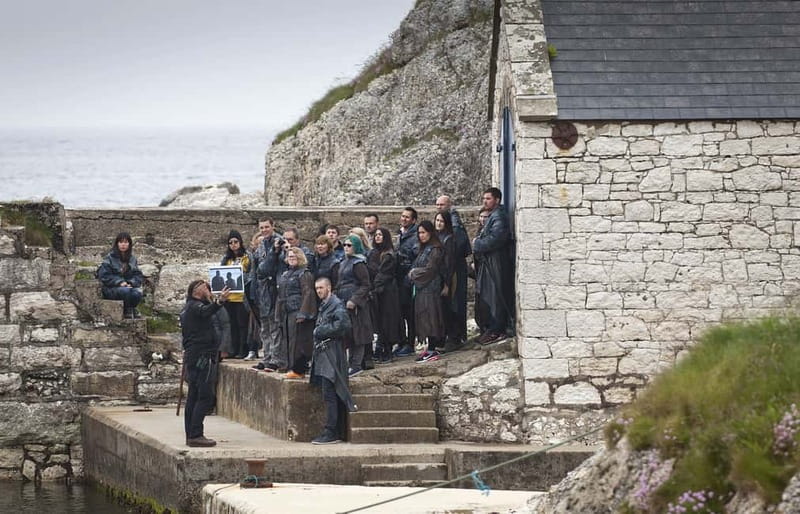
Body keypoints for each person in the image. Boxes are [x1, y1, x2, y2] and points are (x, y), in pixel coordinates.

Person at [180, 279, 230, 447]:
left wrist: (211, 300)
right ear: (196, 291)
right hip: (202, 355)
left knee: (194, 395)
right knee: (204, 395)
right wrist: (219, 301)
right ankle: (195, 434)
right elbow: (206, 311)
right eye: (205, 288)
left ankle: (191, 434)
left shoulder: (189, 306)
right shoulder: (195, 307)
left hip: (194, 355)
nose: (208, 290)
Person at [310, 277, 357, 445]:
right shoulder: (325, 305)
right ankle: (334, 430)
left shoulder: (336, 305)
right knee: (328, 391)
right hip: (324, 353)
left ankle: (332, 431)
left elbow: (344, 325)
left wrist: (321, 331)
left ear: (329, 288)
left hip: (333, 352)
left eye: (321, 288)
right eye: (317, 288)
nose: (319, 291)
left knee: (330, 391)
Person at [473, 187, 514, 344]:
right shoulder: (494, 216)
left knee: (496, 296)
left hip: (496, 263)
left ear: (497, 200)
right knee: (489, 296)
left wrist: (477, 243)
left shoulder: (499, 217)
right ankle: (491, 328)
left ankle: (497, 329)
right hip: (490, 262)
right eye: (484, 198)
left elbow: (496, 239)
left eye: (488, 198)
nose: (485, 201)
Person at [333, 235, 373, 376]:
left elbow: (366, 284)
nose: (346, 247)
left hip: (355, 303)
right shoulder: (343, 262)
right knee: (347, 333)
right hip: (342, 300)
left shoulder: (359, 263)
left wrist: (355, 300)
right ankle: (348, 364)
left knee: (358, 334)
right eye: (344, 245)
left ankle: (356, 364)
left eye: (349, 245)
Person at [436, 195, 471, 351]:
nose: (439, 207)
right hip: (446, 271)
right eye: (437, 204)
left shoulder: (453, 225)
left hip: (454, 271)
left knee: (453, 304)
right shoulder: (444, 227)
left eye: (442, 204)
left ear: (449, 205)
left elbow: (456, 251)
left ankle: (455, 338)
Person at [276, 247, 317, 379]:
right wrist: (278, 313)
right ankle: (286, 365)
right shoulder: (285, 274)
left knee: (297, 341)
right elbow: (280, 295)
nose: (291, 259)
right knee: (286, 339)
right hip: (286, 310)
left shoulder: (304, 273)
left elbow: (308, 293)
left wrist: (303, 313)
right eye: (289, 256)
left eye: (294, 256)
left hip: (297, 310)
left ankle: (296, 368)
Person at [408, 220, 445, 363]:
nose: (421, 235)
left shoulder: (435, 249)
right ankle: (429, 347)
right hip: (421, 289)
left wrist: (414, 273)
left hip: (431, 288)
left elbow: (431, 269)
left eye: (423, 232)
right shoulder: (424, 249)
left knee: (431, 317)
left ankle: (432, 348)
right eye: (419, 233)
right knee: (423, 317)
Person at [252, 218, 285, 372]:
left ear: (273, 226)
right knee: (264, 328)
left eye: (267, 227)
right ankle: (266, 357)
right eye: (262, 228)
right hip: (262, 290)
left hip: (274, 289)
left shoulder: (279, 243)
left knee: (275, 327)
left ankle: (275, 358)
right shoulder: (261, 245)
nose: (264, 230)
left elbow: (266, 268)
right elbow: (257, 270)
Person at [368, 227, 401, 363]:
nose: (377, 237)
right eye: (376, 235)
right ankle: (380, 348)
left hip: (387, 291)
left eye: (380, 235)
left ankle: (388, 350)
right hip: (377, 291)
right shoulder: (373, 253)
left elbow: (384, 273)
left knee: (388, 321)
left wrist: (375, 285)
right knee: (379, 321)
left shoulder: (389, 255)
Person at [97, 232, 145, 319]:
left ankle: (131, 308)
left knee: (137, 293)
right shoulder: (109, 258)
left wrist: (131, 283)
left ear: (129, 244)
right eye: (121, 242)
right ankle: (127, 310)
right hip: (111, 288)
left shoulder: (132, 259)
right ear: (117, 244)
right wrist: (119, 282)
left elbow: (138, 275)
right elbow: (104, 276)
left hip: (127, 287)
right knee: (125, 291)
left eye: (126, 242)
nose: (123, 245)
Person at [220, 230, 251, 359]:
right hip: (229, 296)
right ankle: (233, 349)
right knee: (232, 324)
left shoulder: (247, 257)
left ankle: (243, 349)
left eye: (236, 242)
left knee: (242, 324)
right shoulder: (226, 259)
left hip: (242, 297)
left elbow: (250, 274)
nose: (233, 244)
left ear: (240, 242)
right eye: (230, 242)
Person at [393, 207, 419, 357]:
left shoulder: (415, 236)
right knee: (400, 312)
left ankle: (410, 343)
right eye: (402, 216)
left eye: (407, 217)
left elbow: (415, 257)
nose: (403, 219)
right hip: (398, 276)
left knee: (410, 313)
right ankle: (402, 341)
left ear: (413, 220)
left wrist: (410, 275)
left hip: (408, 277)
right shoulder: (400, 234)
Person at [434, 211, 456, 350]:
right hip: (435, 278)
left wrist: (447, 284)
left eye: (441, 221)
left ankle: (448, 339)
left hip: (445, 279)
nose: (438, 223)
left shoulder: (449, 239)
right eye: (437, 220)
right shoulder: (436, 237)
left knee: (445, 310)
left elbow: (449, 264)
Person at [243, 231, 264, 361]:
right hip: (252, 294)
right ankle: (253, 349)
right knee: (254, 324)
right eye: (259, 243)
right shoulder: (250, 258)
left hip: (265, 295)